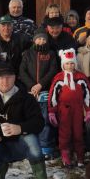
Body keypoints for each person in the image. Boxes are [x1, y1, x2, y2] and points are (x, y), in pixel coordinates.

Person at [47, 49, 90, 168]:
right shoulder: (59, 78)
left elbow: (88, 94)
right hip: (64, 110)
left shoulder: (81, 77)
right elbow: (53, 96)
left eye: (72, 63)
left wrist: (89, 110)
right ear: (63, 64)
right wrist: (52, 112)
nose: (70, 66)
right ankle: (66, 155)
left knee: (78, 133)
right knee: (65, 133)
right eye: (67, 63)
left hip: (78, 110)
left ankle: (80, 156)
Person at [19, 28, 59, 159]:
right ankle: (30, 146)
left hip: (45, 91)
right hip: (30, 93)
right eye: (39, 39)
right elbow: (22, 71)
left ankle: (46, 147)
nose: (41, 41)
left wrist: (40, 84)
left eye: (43, 39)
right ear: (34, 40)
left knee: (45, 120)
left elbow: (53, 70)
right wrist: (32, 86)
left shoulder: (51, 54)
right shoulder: (27, 54)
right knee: (30, 120)